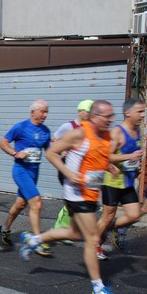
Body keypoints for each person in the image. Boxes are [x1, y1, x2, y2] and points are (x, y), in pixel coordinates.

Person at [19, 100, 124, 294]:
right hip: (76, 193)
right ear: (94, 117)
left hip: (91, 192)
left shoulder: (105, 136)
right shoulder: (78, 133)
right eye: (107, 116)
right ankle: (98, 289)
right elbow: (51, 152)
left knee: (74, 233)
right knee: (92, 239)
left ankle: (34, 240)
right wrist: (68, 173)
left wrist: (110, 166)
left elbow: (99, 155)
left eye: (112, 116)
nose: (111, 120)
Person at [0, 100, 52, 257]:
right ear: (33, 112)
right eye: (42, 111)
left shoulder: (46, 131)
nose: (45, 115)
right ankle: (37, 240)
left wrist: (63, 154)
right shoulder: (20, 127)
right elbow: (2, 142)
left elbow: (50, 152)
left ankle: (4, 229)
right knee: (37, 203)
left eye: (47, 112)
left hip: (34, 174)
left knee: (20, 204)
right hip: (21, 172)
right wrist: (15, 153)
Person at [96, 98, 146, 258]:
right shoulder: (117, 132)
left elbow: (131, 156)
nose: (143, 115)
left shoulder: (137, 132)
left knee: (134, 214)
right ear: (127, 112)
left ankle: (110, 230)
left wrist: (135, 168)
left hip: (127, 181)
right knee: (107, 216)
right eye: (140, 111)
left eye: (143, 111)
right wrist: (130, 156)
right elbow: (105, 156)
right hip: (112, 180)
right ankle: (94, 244)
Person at [51, 99, 93, 245]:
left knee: (81, 199)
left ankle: (69, 229)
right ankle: (61, 226)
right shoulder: (68, 126)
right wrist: (63, 150)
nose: (90, 114)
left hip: (84, 170)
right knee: (73, 198)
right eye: (88, 111)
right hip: (67, 169)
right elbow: (53, 141)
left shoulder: (91, 128)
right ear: (80, 111)